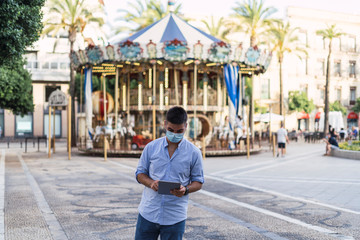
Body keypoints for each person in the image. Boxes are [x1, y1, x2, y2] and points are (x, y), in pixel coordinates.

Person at [135, 106, 204, 240]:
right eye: (171, 130)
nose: (174, 134)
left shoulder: (194, 153)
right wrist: (151, 183)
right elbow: (140, 173)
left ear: (186, 126)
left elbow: (198, 181)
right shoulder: (151, 147)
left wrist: (185, 190)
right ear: (165, 124)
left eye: (180, 131)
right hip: (149, 212)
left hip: (175, 217)